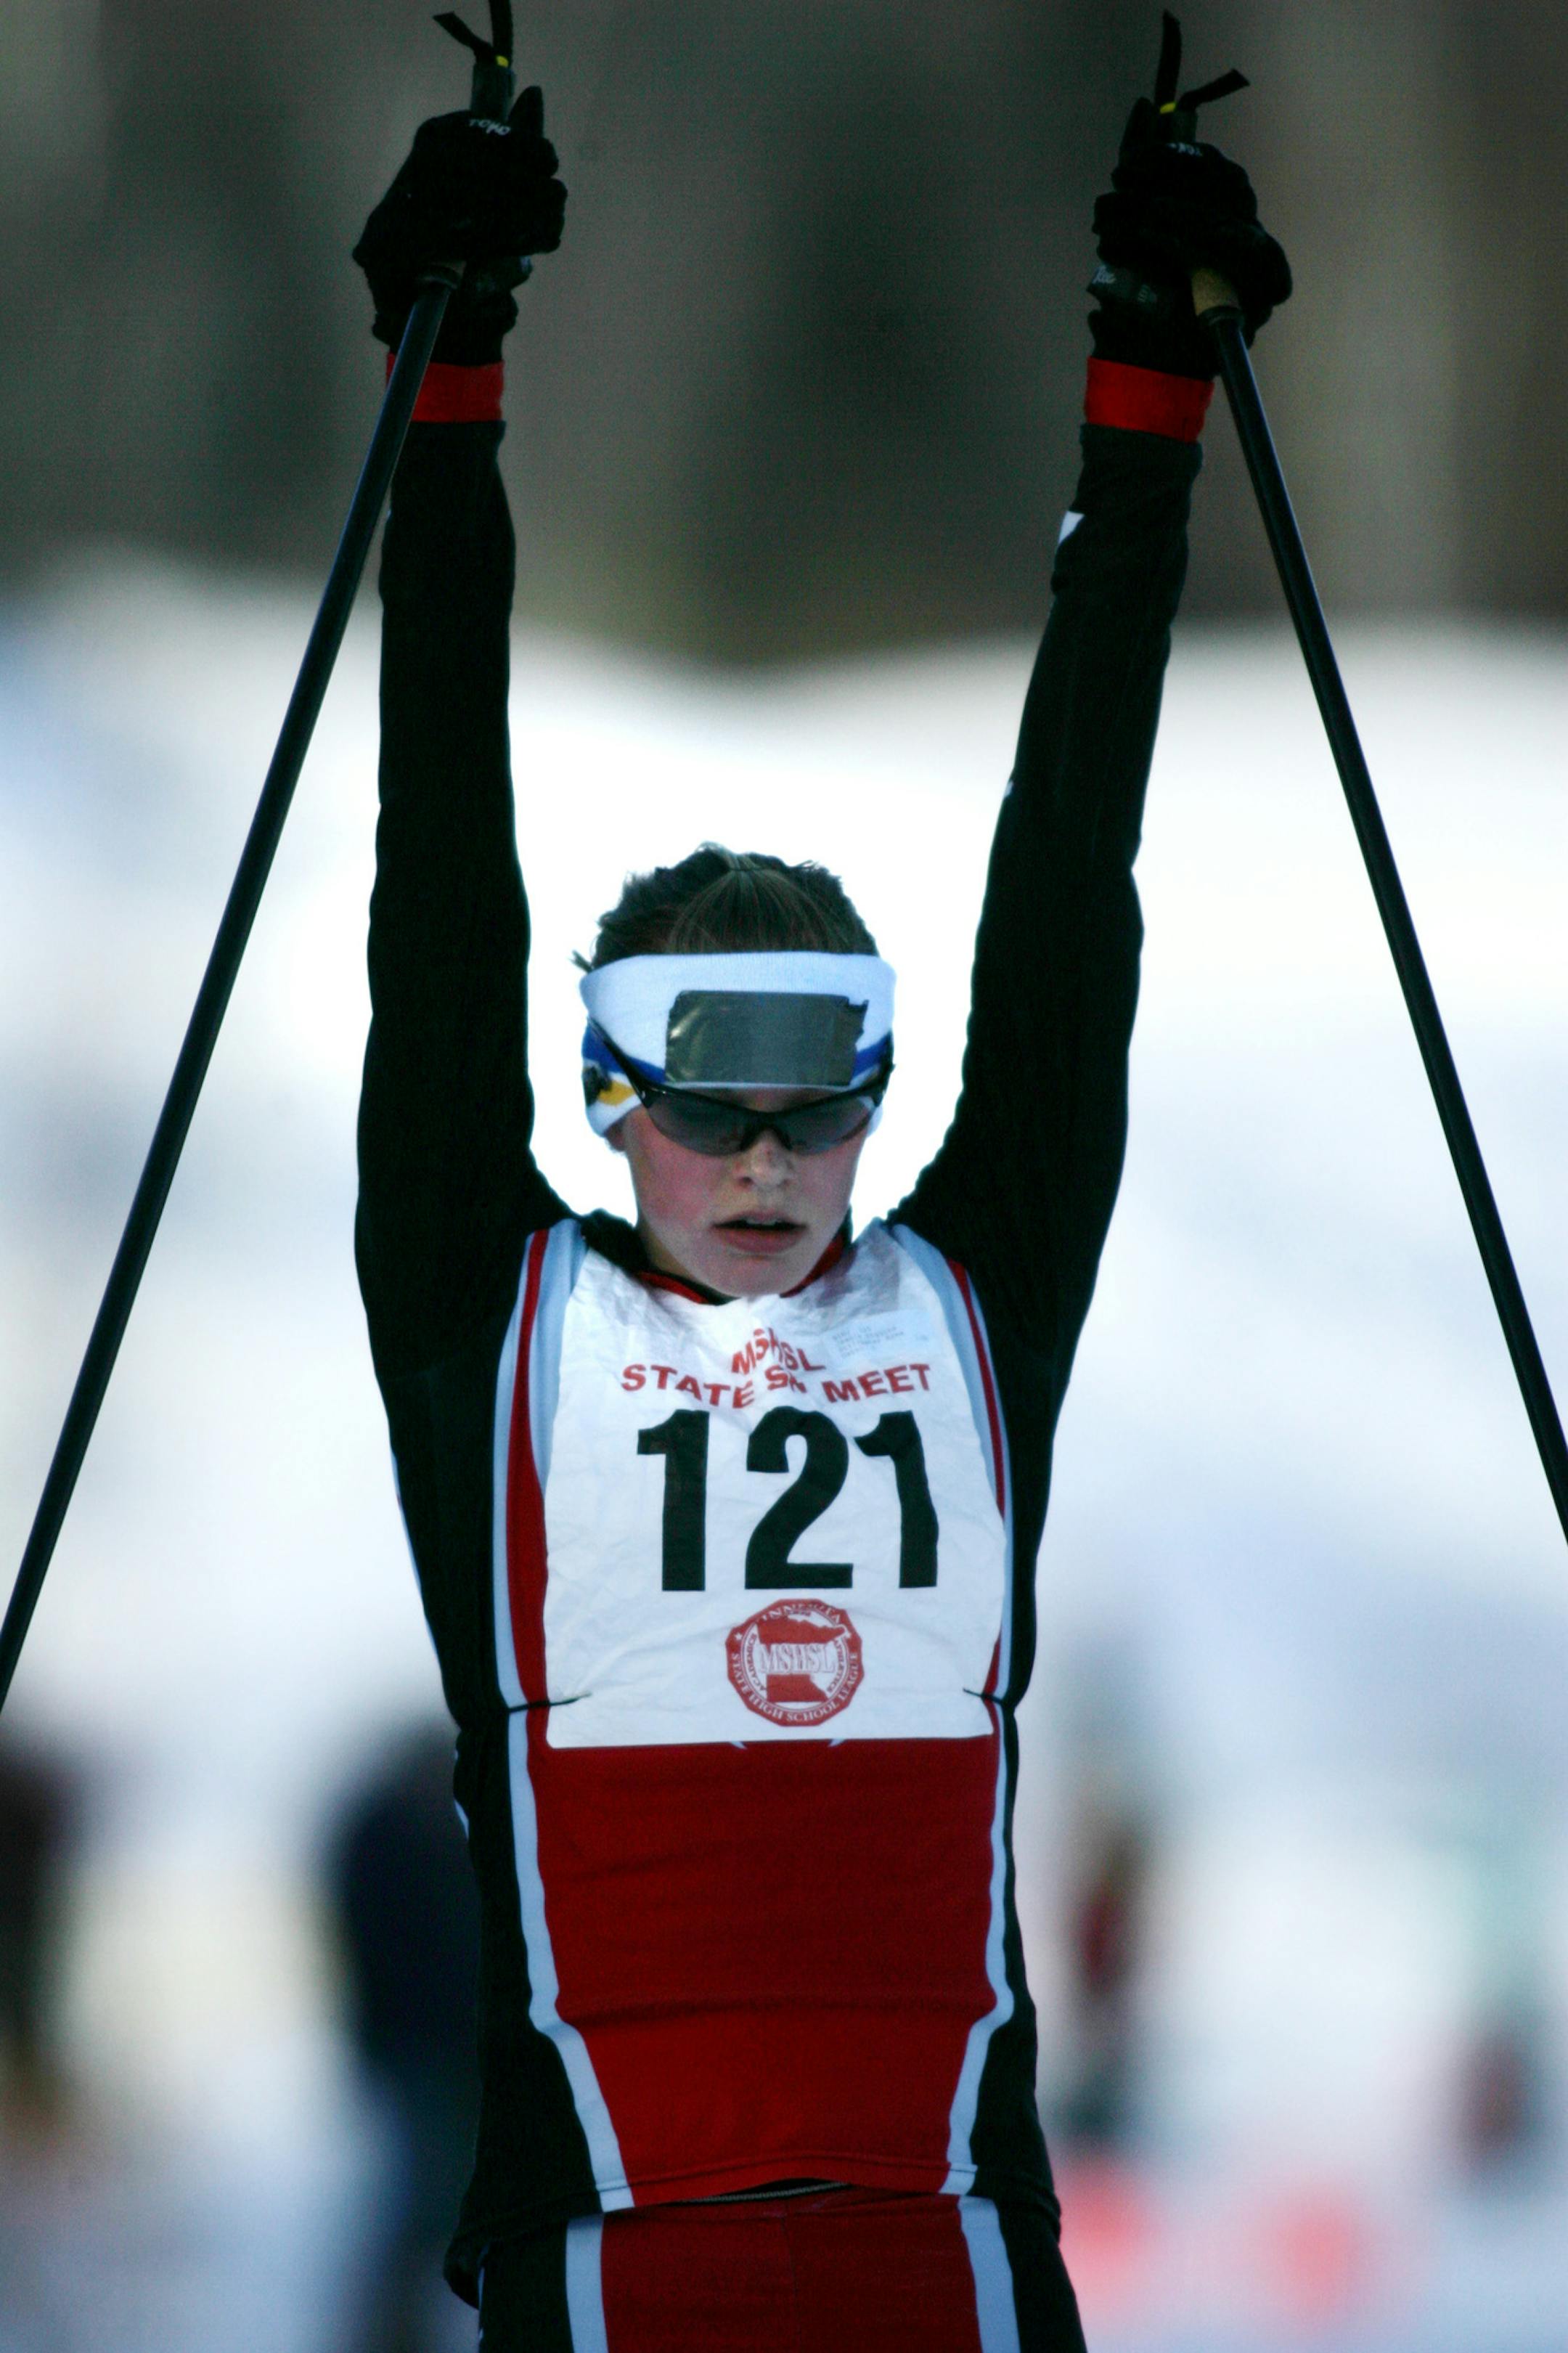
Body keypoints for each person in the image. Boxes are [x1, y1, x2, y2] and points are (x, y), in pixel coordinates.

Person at [352, 59, 1289, 2352]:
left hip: (946, 2264)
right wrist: (443, 388)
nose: (763, 1159)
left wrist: (1146, 401)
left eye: (813, 1100)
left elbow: (1075, 896)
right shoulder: (497, 1322)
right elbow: (440, 893)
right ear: (604, 1102)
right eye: (704, 1102)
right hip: (611, 2270)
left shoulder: (968, 1307)